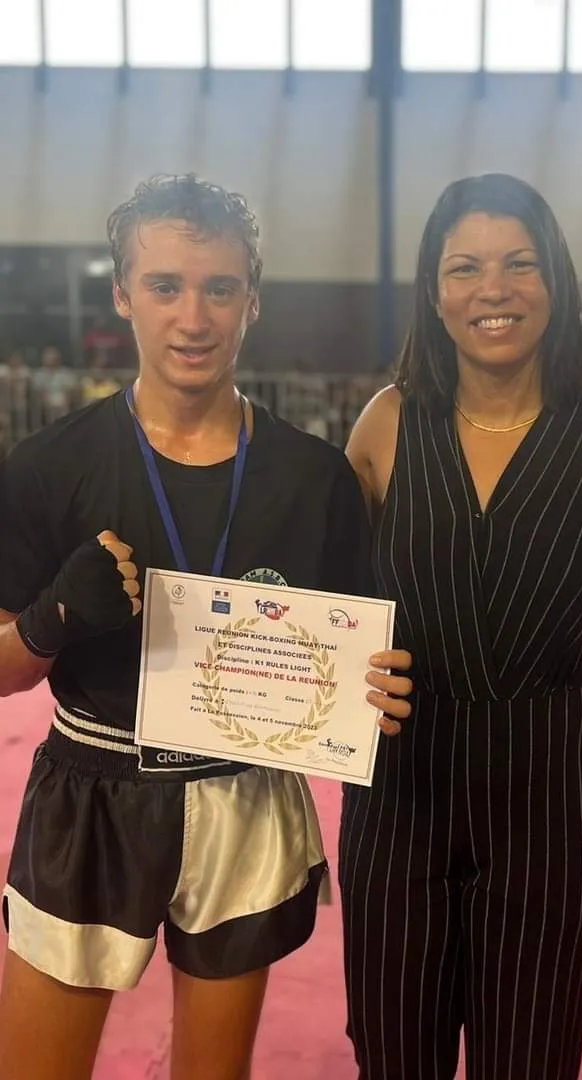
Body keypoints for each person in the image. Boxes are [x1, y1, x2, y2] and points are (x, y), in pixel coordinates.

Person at [0, 174, 414, 1080]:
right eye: (165, 286)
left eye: (219, 288)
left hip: (244, 791)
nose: (194, 318)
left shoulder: (315, 477)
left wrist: (376, 689)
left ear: (252, 299)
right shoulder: (49, 465)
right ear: (122, 295)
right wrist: (48, 621)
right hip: (92, 787)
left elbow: (360, 658)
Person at [340, 172, 582, 1079]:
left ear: (556, 280)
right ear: (434, 292)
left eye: (519, 263)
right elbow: (328, 603)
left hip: (551, 792)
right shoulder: (386, 424)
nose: (493, 288)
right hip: (399, 786)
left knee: (529, 1057)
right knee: (392, 1057)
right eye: (465, 268)